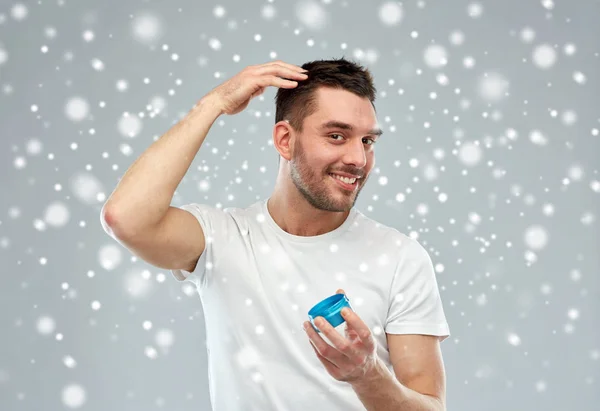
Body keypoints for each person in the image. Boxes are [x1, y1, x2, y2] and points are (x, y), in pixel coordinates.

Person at [101, 58, 450, 411]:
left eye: (368, 141)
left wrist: (366, 375)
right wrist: (213, 105)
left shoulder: (400, 259)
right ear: (285, 139)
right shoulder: (222, 239)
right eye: (336, 136)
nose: (358, 158)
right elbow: (125, 218)